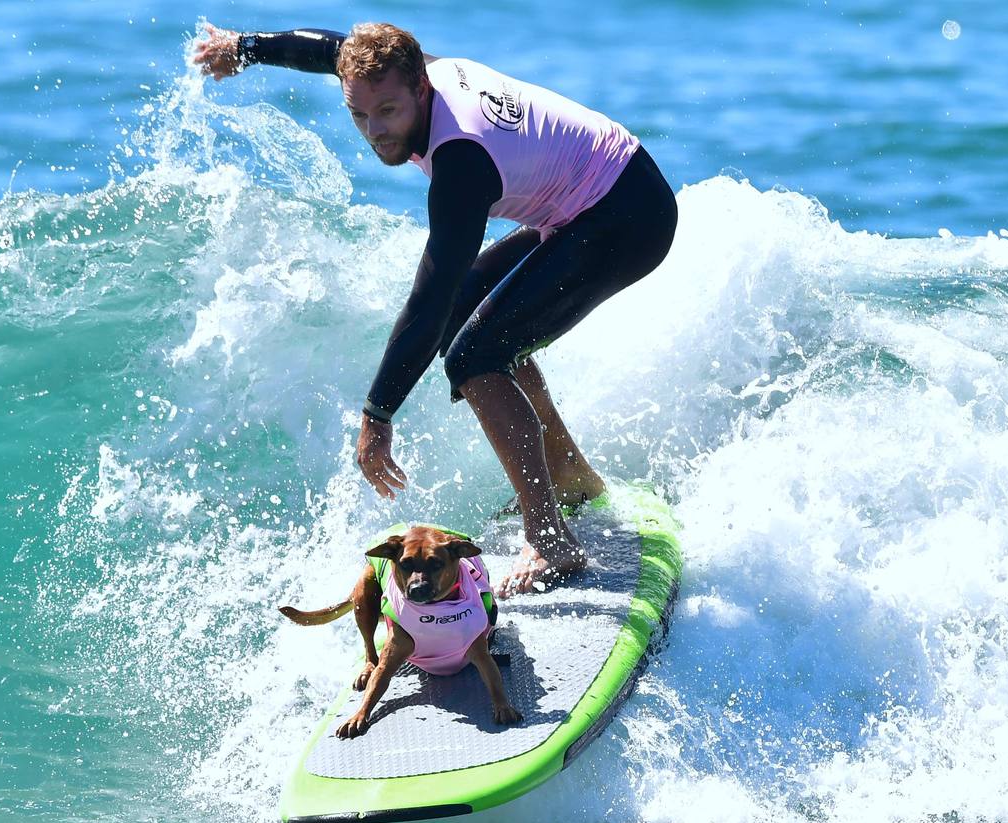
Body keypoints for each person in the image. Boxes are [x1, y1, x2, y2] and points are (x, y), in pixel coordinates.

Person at [192, 22, 677, 595]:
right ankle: (566, 473)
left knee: (472, 356)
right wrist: (246, 48)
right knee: (473, 320)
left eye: (389, 112)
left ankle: (550, 540)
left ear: (420, 88)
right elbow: (332, 50)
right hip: (592, 201)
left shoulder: (461, 162)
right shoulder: (412, 73)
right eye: (360, 115)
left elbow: (428, 299)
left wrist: (377, 415)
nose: (375, 131)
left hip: (626, 215)